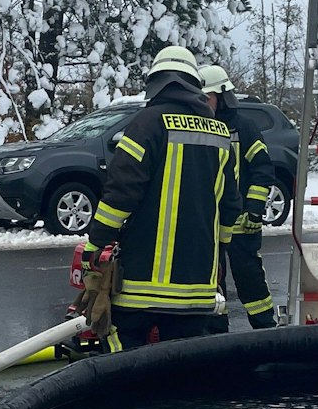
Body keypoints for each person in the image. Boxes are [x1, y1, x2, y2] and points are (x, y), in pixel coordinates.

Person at [83, 45, 239, 350]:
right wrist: (219, 255)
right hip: (197, 288)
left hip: (140, 287)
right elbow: (229, 206)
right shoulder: (220, 134)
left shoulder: (146, 124)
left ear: (155, 82)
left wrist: (96, 243)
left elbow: (120, 192)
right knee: (181, 372)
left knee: (122, 358)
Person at [198, 65, 276, 331]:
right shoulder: (200, 129)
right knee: (211, 283)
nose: (202, 103)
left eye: (206, 97)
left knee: (250, 280)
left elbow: (263, 169)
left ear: (222, 95)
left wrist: (254, 209)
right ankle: (217, 335)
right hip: (210, 226)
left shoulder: (245, 128)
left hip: (242, 225)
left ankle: (265, 331)